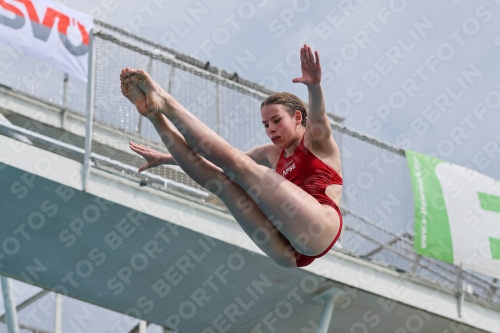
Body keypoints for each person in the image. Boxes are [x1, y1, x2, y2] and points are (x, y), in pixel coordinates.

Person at [120, 45, 342, 268]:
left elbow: (318, 114)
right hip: (288, 253)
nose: (270, 129)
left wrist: (314, 87)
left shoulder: (316, 140)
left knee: (238, 164)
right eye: (266, 125)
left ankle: (166, 103)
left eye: (276, 121)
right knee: (221, 182)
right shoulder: (270, 153)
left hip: (319, 229)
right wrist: (166, 158)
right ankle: (155, 116)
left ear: (296, 117)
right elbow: (217, 159)